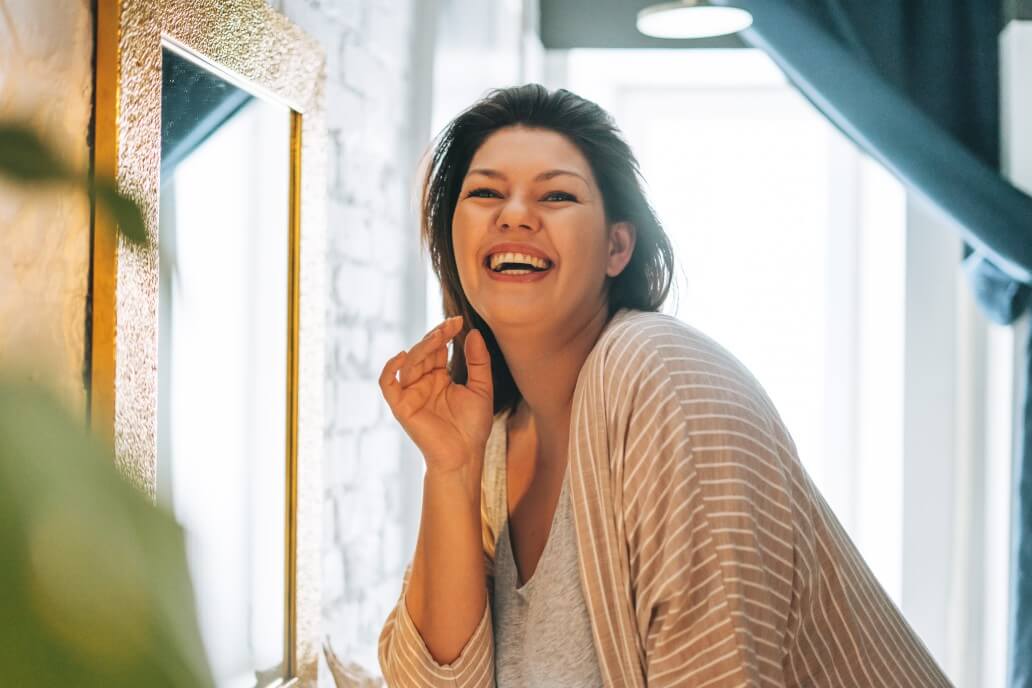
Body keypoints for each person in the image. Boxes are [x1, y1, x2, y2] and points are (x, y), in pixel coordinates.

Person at [376, 83, 951, 687]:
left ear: (617, 247)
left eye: (557, 195)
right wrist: (451, 469)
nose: (515, 214)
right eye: (486, 192)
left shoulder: (661, 379)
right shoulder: (495, 440)